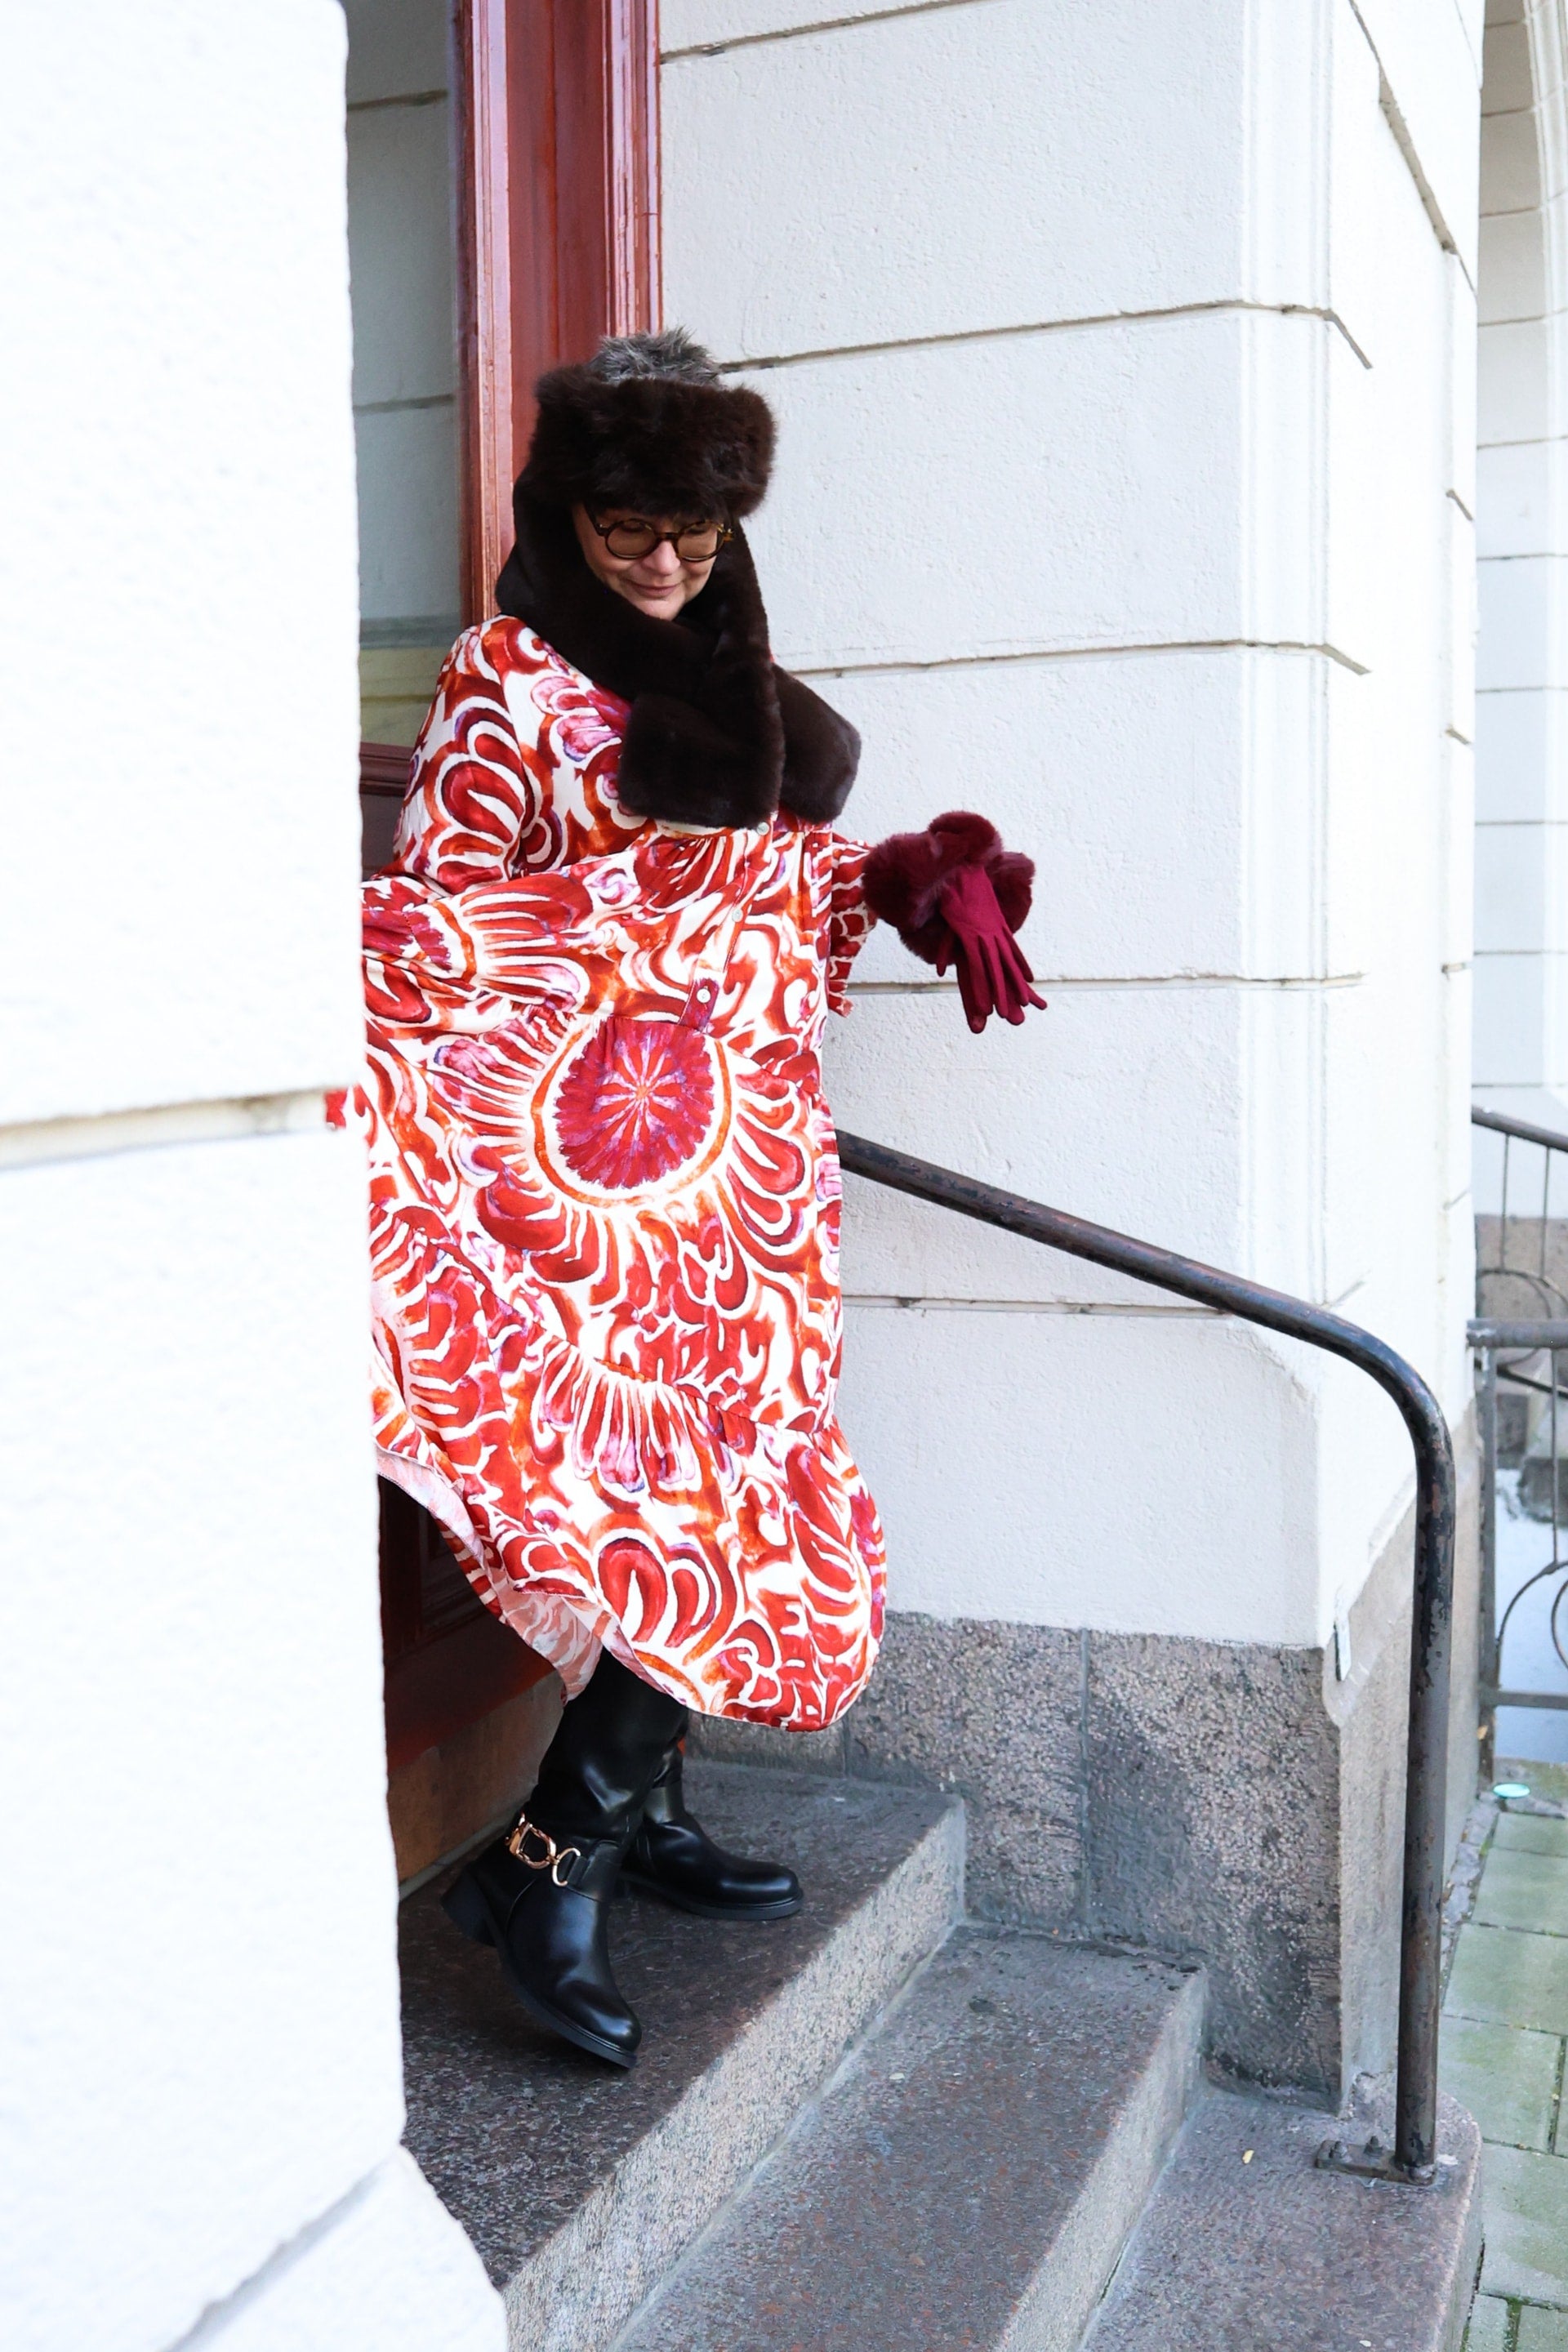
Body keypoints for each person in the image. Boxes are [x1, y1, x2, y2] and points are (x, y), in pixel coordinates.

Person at [348, 329, 1042, 2069]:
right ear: (564, 510)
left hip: (734, 1172)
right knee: (657, 1485)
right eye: (625, 530)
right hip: (576, 1176)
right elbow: (447, 914)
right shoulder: (503, 677)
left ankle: (634, 1809)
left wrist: (893, 878)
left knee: (744, 1462)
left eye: (695, 534)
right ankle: (542, 1861)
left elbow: (749, 884)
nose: (663, 564)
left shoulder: (741, 679)